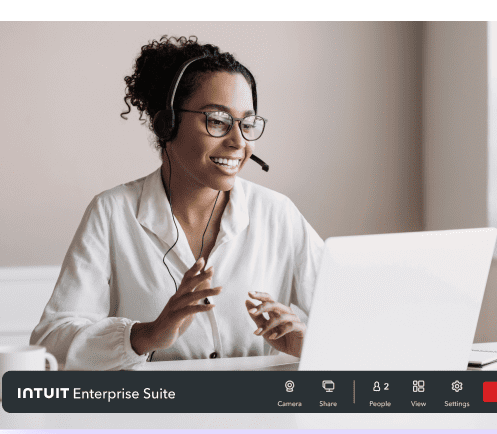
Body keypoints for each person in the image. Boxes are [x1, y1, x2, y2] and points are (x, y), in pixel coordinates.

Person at [30, 36, 324, 370]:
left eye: (247, 124)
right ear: (166, 123)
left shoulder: (277, 214)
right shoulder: (112, 213)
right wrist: (146, 335)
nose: (239, 142)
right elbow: (51, 342)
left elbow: (360, 323)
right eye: (217, 120)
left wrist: (309, 342)